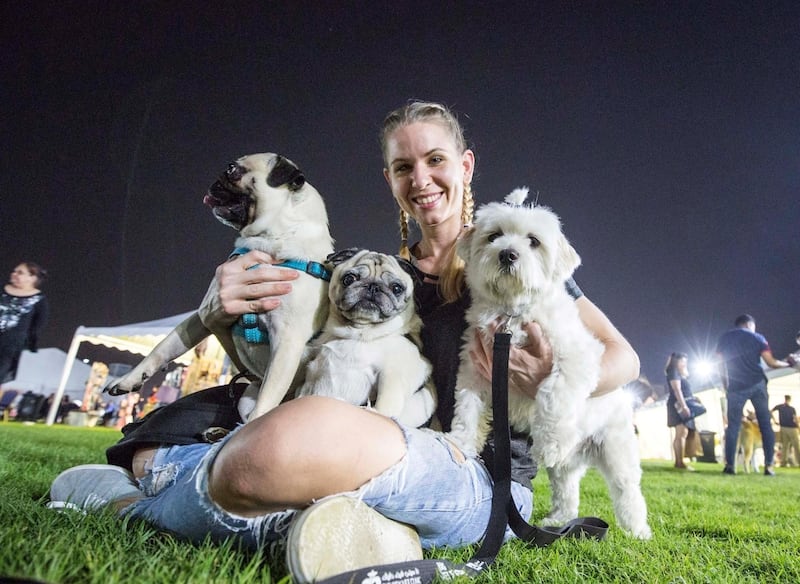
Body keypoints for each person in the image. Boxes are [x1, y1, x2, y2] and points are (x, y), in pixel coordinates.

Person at [48, 101, 640, 581]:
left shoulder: (521, 260)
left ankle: (133, 506)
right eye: (404, 168)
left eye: (435, 160)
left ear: (465, 165)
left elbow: (622, 357)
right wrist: (226, 302)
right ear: (389, 180)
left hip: (479, 474)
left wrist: (542, 378)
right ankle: (350, 530)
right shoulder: (361, 270)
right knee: (165, 446)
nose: (422, 179)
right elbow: (281, 352)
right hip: (354, 438)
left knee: (273, 449)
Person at [716, 314, 790, 476]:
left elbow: (720, 364)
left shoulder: (725, 338)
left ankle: (730, 466)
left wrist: (725, 384)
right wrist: (788, 363)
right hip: (757, 384)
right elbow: (771, 362)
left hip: (735, 386)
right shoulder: (758, 338)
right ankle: (769, 466)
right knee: (765, 425)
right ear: (750, 324)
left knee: (733, 427)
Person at [0, 262, 49, 386]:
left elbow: (38, 324)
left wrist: (27, 343)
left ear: (32, 278)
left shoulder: (39, 300)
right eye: (14, 271)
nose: (14, 274)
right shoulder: (2, 290)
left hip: (9, 348)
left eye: (20, 272)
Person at [664, 352, 700, 471]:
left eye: (685, 361)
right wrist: (684, 406)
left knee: (681, 434)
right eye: (682, 361)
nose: (684, 364)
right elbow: (677, 389)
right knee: (681, 434)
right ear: (676, 361)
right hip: (678, 405)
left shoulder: (679, 373)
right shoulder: (673, 371)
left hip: (680, 404)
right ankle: (679, 462)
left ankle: (679, 461)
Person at [771, 395, 799, 467]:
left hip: (783, 428)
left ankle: (783, 462)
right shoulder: (792, 409)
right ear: (790, 400)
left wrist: (774, 421)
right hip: (792, 428)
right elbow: (795, 419)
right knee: (796, 446)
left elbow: (770, 411)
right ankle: (799, 461)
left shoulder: (780, 407)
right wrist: (798, 427)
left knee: (785, 446)